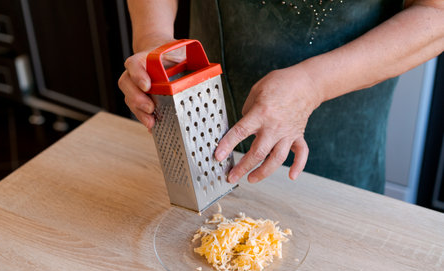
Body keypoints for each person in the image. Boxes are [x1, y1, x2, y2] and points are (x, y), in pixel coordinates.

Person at [118, 0, 444, 193]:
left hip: (340, 124)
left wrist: (313, 85)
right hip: (201, 110)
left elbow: (436, 13)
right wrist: (154, 39)